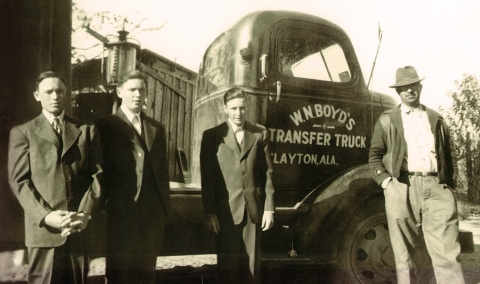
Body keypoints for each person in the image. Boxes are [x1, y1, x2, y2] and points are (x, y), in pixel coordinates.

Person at [369, 66, 465, 283]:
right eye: (404, 87)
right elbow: (374, 155)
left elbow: (449, 154)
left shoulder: (436, 118)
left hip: (436, 187)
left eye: (413, 85)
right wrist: (387, 184)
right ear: (398, 92)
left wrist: (449, 186)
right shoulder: (387, 119)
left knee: (447, 253)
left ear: (420, 86)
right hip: (403, 187)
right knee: (405, 255)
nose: (409, 90)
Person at [8, 71, 104, 283]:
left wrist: (85, 213)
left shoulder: (86, 130)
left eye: (59, 91)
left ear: (66, 94)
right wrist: (45, 216)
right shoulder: (24, 132)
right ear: (36, 96)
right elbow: (20, 182)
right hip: (44, 231)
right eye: (48, 91)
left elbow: (98, 176)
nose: (55, 96)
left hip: (78, 229)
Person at [95, 70, 170, 284]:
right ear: (119, 92)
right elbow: (100, 168)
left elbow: (162, 171)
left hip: (151, 215)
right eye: (132, 90)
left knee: (146, 273)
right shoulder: (105, 125)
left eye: (142, 90)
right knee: (120, 273)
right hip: (121, 213)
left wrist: (163, 207)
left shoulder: (156, 128)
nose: (138, 94)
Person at [200, 87, 275, 284]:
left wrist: (269, 209)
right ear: (225, 108)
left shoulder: (259, 133)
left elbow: (267, 173)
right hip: (226, 212)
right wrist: (210, 212)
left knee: (252, 269)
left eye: (242, 108)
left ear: (247, 107)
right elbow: (207, 179)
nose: (238, 113)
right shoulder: (211, 137)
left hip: (253, 211)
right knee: (228, 269)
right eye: (233, 108)